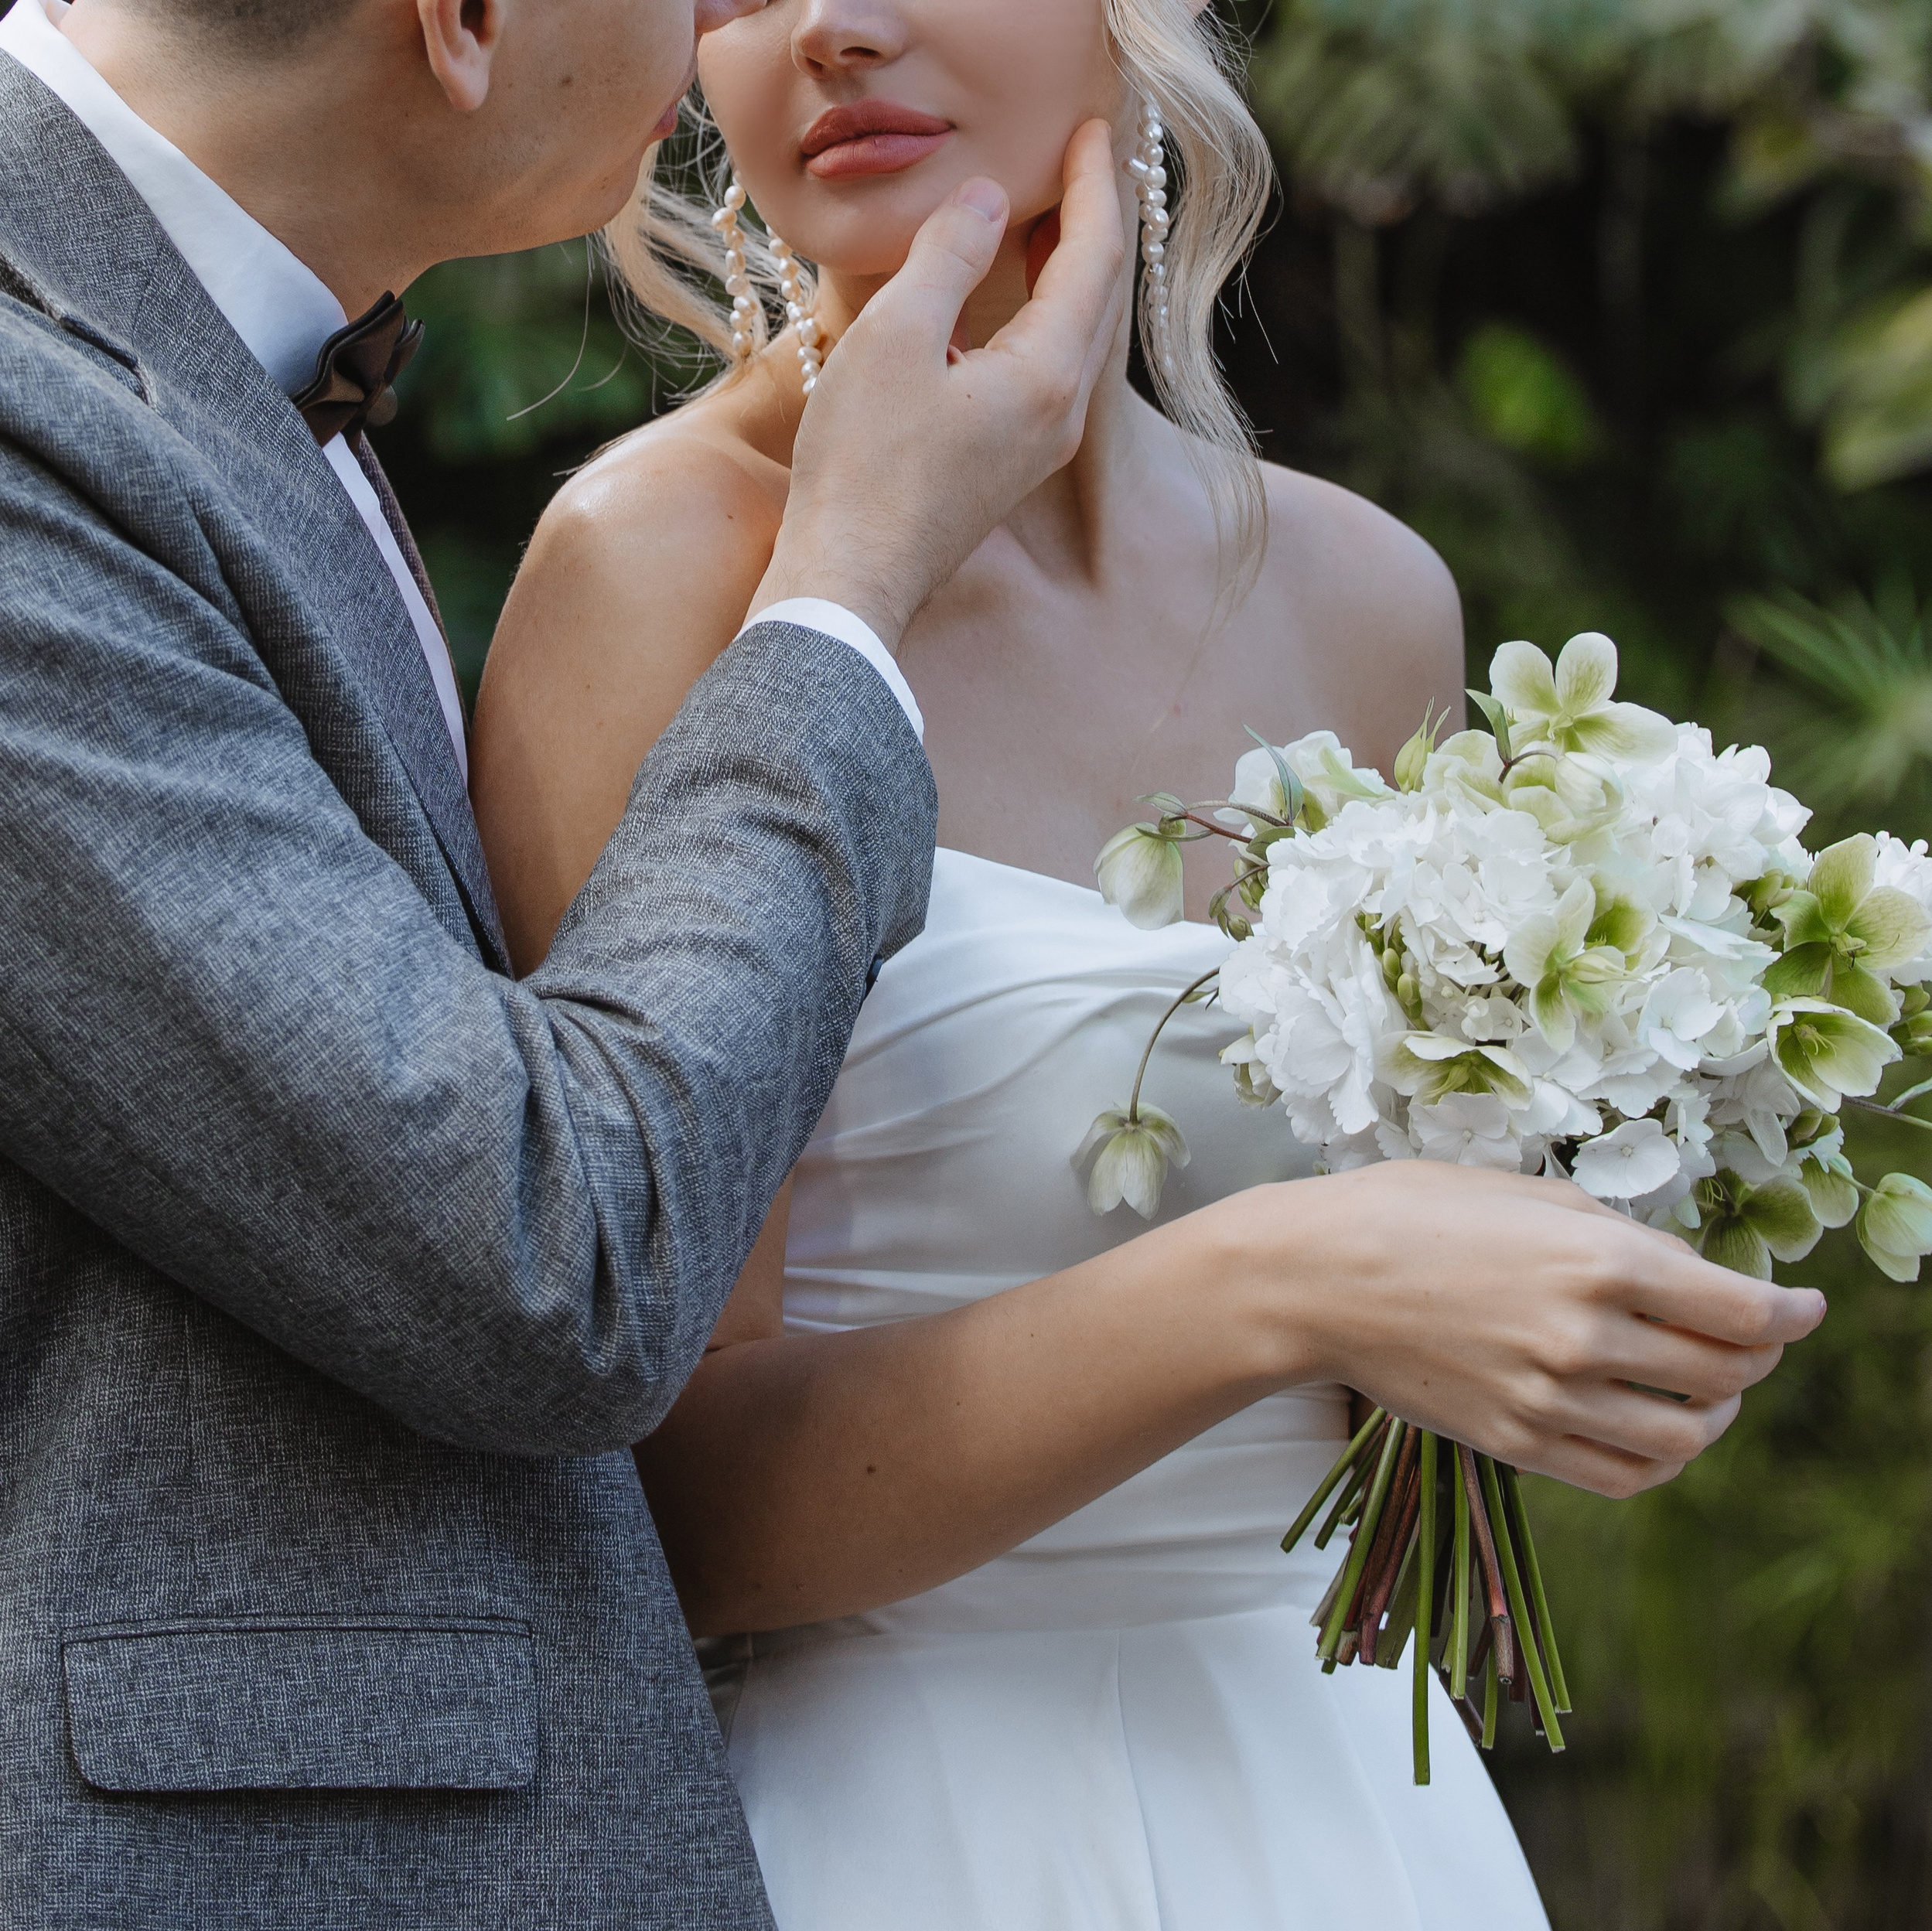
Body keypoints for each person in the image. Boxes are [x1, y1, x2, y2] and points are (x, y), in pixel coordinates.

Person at [471, 2, 1828, 1926]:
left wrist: (1601, 1275)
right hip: (905, 1827)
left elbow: (1406, 1387)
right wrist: (1281, 1281)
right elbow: (655, 1507)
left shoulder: (1367, 598)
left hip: (1358, 1810)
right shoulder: (652, 573)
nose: (833, 29)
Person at [0, 0, 1134, 1920]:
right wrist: (848, 581)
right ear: (459, 20)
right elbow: (545, 1248)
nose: (722, 23)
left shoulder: (213, 364)